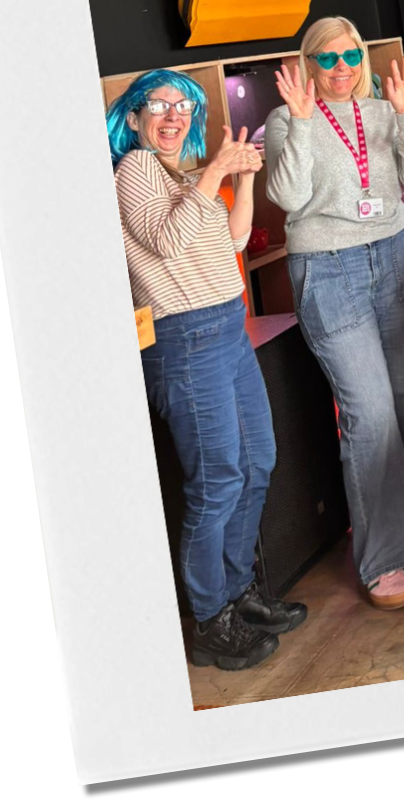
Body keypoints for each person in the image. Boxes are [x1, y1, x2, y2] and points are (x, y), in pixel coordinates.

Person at [112, 69, 300, 673]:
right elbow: (167, 243)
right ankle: (209, 618)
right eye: (157, 105)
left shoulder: (181, 176)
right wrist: (217, 170)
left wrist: (242, 179)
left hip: (225, 327)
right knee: (217, 481)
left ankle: (238, 593)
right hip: (183, 340)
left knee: (256, 463)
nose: (172, 116)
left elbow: (235, 240)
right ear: (135, 118)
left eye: (183, 106)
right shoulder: (134, 170)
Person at [262, 19, 404, 603]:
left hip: (393, 257)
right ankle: (382, 558)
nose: (341, 68)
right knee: (368, 411)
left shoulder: (387, 110)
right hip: (328, 268)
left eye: (350, 56)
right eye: (327, 58)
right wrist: (306, 125)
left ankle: (401, 524)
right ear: (309, 64)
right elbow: (287, 199)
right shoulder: (289, 119)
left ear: (363, 57)